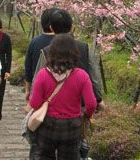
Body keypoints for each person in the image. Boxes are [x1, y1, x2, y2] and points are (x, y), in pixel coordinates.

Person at [33, 8, 104, 160]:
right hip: (78, 111)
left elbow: (37, 85)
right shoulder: (84, 47)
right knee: (77, 150)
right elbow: (95, 77)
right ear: (72, 26)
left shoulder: (46, 51)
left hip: (49, 116)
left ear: (51, 28)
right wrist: (98, 99)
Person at [24, 8, 57, 102]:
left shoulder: (34, 42)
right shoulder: (62, 42)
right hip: (58, 87)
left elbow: (28, 67)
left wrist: (28, 89)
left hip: (38, 86)